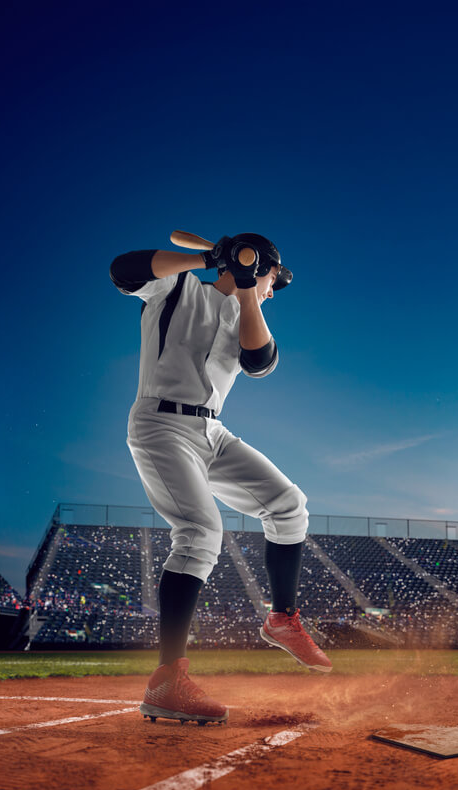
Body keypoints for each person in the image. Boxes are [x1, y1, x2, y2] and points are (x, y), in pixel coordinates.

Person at [110, 233, 332, 726]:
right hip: (160, 423)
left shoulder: (248, 313)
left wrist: (250, 285)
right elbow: (123, 269)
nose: (274, 289)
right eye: (275, 278)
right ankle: (167, 680)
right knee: (200, 533)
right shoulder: (177, 288)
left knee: (289, 504)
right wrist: (209, 258)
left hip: (211, 431)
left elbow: (260, 361)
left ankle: (281, 619)